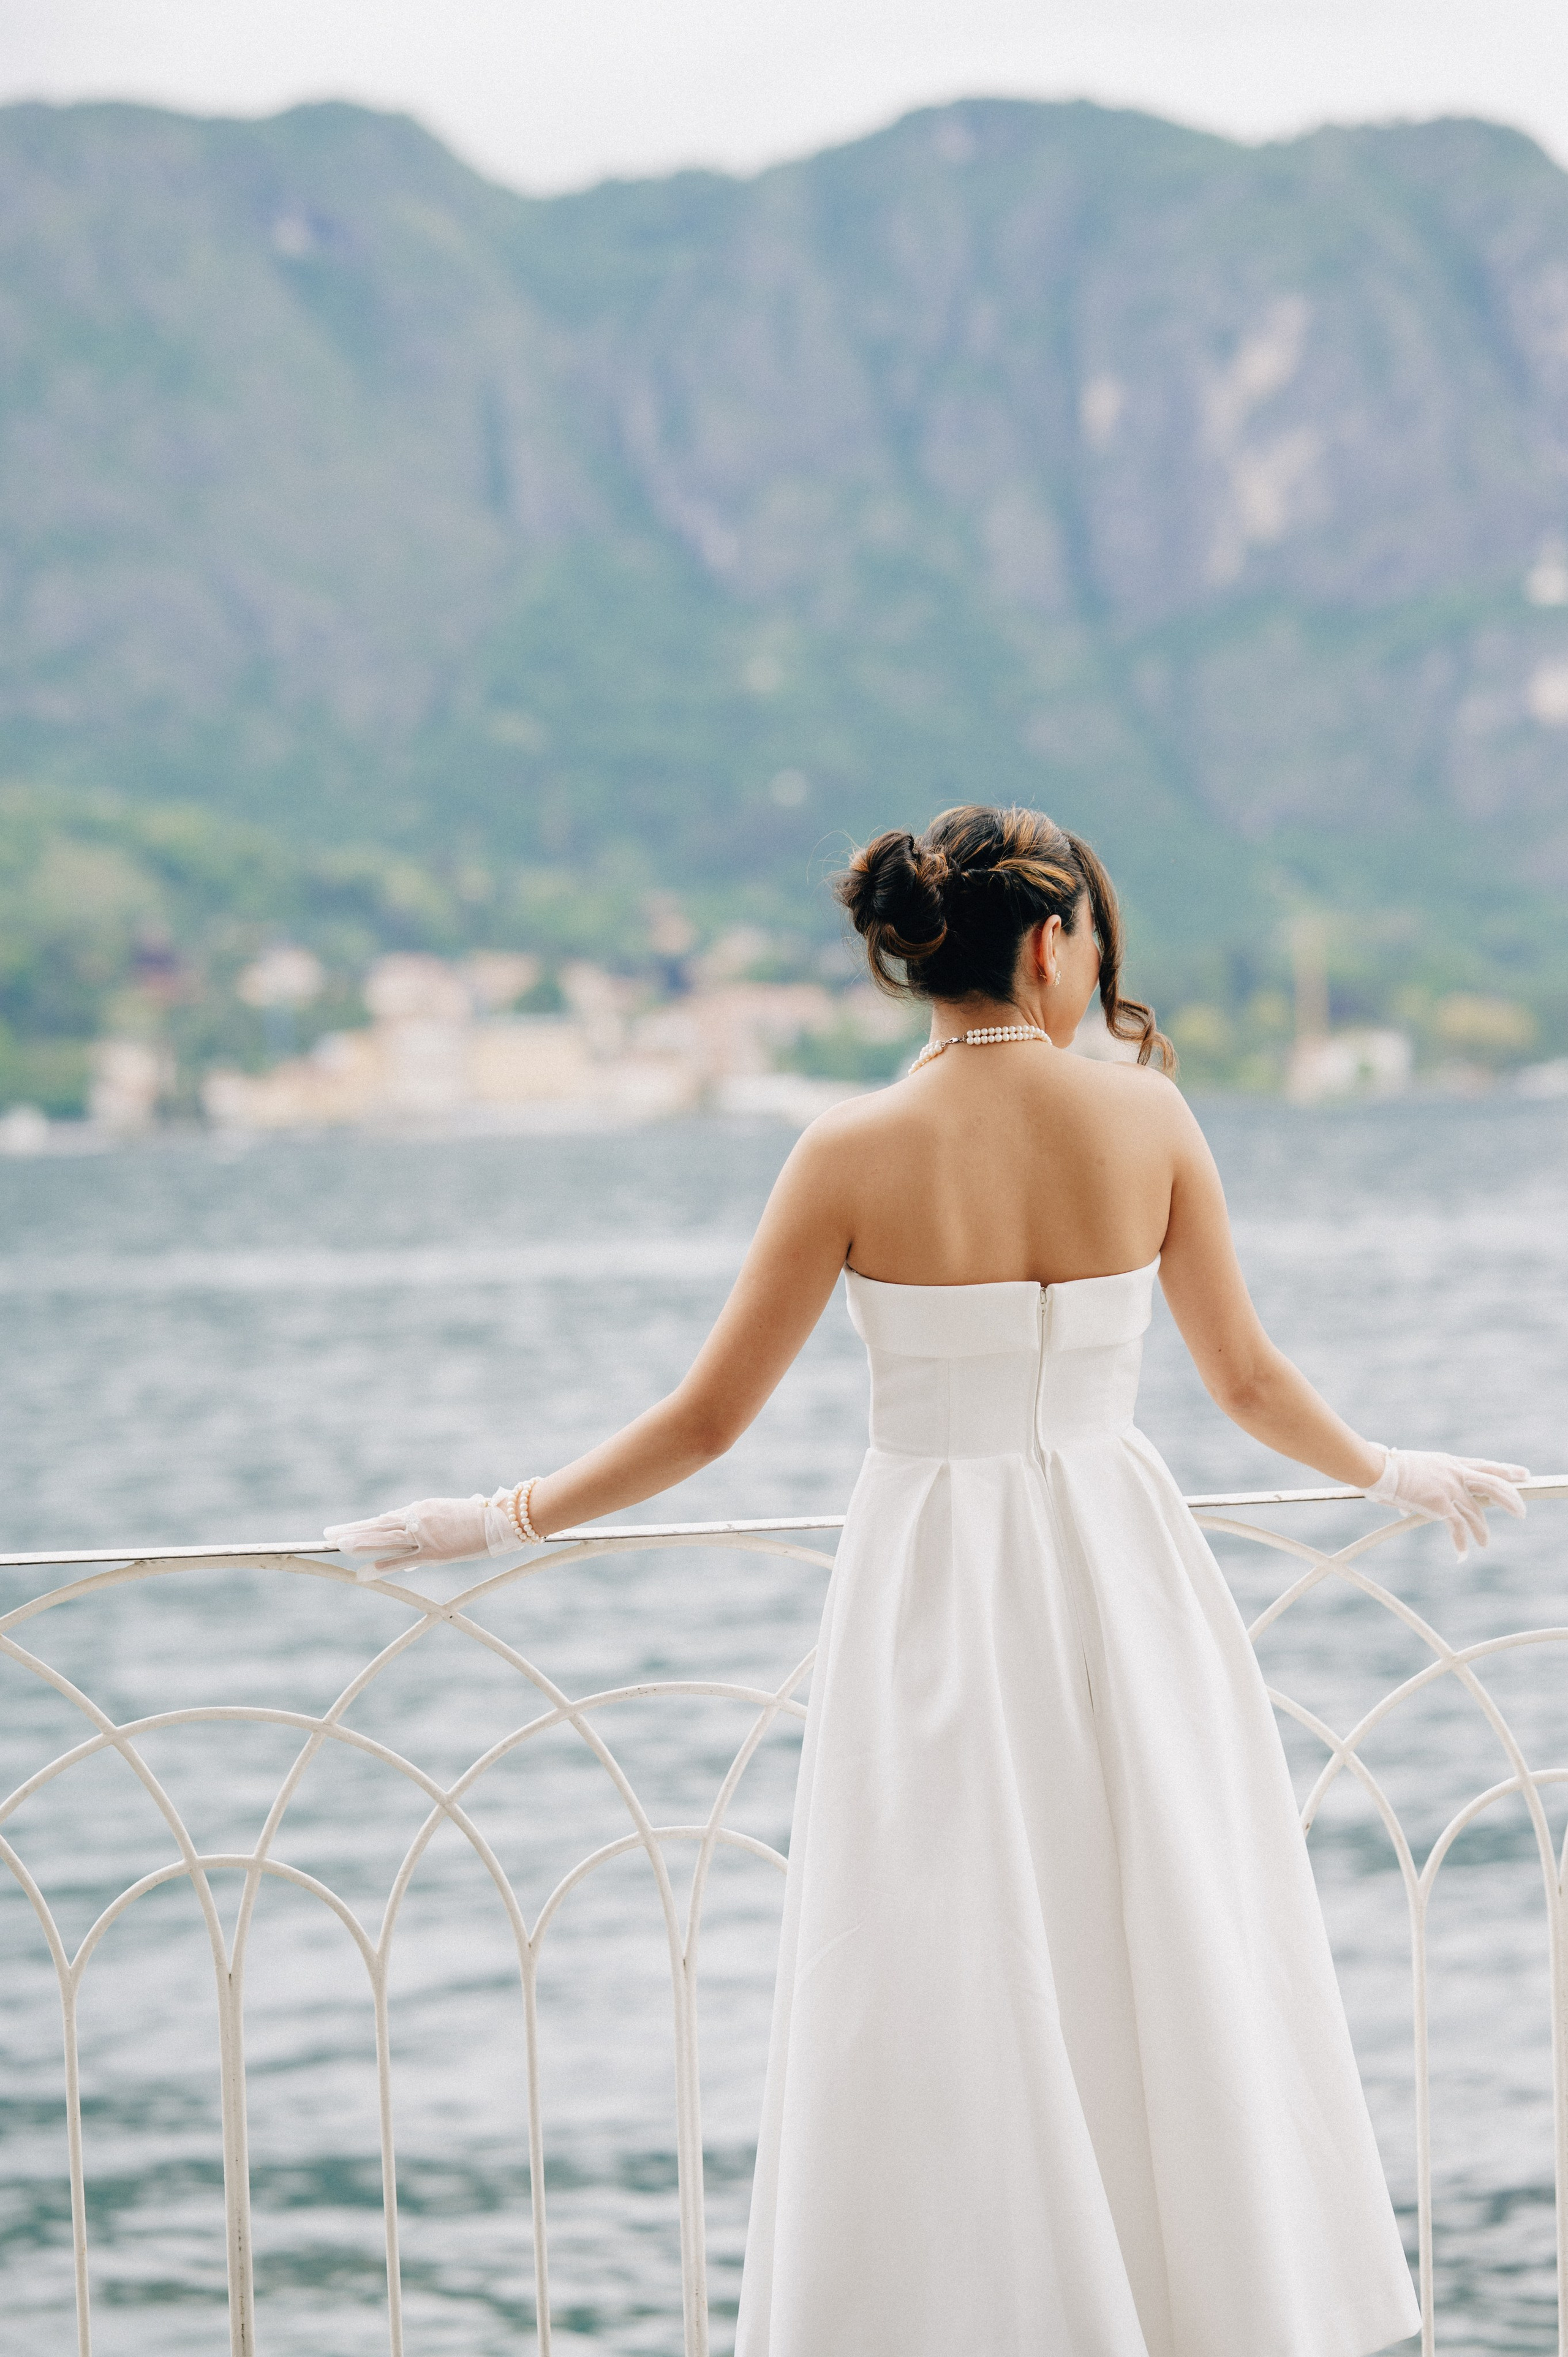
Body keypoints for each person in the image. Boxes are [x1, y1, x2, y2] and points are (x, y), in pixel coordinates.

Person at [328, 804, 1528, 2357]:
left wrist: (493, 1520)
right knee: (1161, 1931)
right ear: (1046, 942)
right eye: (1091, 935)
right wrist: (1387, 1469)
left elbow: (703, 1420)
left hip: (932, 1594)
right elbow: (1242, 1377)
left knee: (945, 1959)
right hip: (1124, 1575)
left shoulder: (845, 1148)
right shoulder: (1149, 1120)